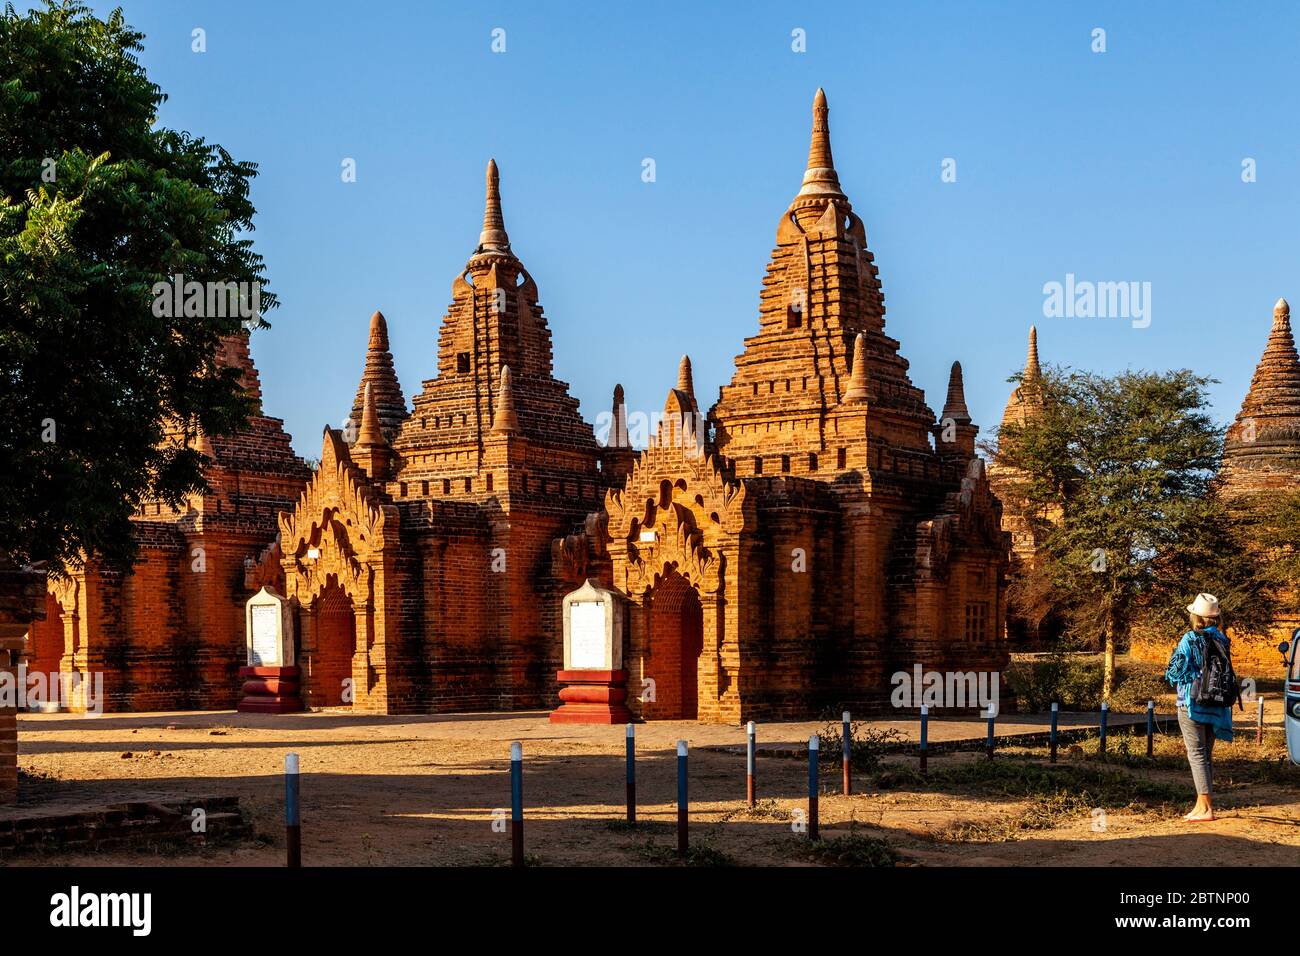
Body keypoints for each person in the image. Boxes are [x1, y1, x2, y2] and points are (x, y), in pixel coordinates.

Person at [1164, 593, 1234, 822]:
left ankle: (1207, 809)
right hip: (1217, 706)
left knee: (1196, 755)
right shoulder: (1223, 640)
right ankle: (1200, 805)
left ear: (1196, 616)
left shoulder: (1190, 639)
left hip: (1191, 704)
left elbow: (1176, 672)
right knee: (1205, 756)